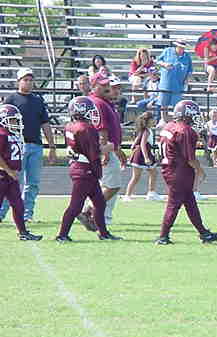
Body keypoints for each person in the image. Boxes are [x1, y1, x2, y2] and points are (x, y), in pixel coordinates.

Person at [156, 101, 217, 245]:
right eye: (194, 115)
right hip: (178, 170)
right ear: (186, 115)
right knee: (174, 204)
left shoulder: (169, 126)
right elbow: (190, 158)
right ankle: (163, 236)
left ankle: (204, 233)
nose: (196, 118)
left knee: (190, 202)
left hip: (170, 167)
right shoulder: (185, 130)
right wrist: (200, 171)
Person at [55, 97, 121, 243]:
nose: (92, 113)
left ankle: (103, 233)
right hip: (85, 170)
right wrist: (109, 148)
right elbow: (94, 152)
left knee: (100, 203)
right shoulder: (86, 128)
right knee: (76, 205)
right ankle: (62, 235)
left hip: (79, 167)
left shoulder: (70, 126)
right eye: (90, 110)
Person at [0, 68, 56, 224]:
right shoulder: (10, 99)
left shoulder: (38, 100)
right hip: (17, 146)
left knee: (33, 184)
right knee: (11, 180)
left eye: (31, 80)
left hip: (36, 146)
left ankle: (27, 215)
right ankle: (1, 213)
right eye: (25, 80)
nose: (29, 82)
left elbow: (45, 123)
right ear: (18, 81)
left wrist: (52, 146)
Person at [76, 68, 125, 230]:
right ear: (93, 86)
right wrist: (105, 151)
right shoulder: (97, 102)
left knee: (105, 186)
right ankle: (88, 211)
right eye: (102, 85)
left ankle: (94, 215)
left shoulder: (104, 101)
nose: (107, 87)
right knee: (112, 185)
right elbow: (101, 129)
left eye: (107, 84)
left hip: (110, 148)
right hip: (105, 150)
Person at [0, 104, 41, 241]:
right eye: (12, 120)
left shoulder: (14, 134)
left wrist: (12, 172)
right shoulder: (1, 134)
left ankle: (22, 232)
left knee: (18, 205)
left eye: (16, 120)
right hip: (2, 175)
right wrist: (8, 170)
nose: (15, 123)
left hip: (11, 177)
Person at [123, 112, 163, 201]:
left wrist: (133, 148)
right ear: (148, 121)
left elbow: (134, 144)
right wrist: (146, 158)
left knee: (154, 173)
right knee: (136, 177)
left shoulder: (145, 130)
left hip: (143, 154)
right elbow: (142, 144)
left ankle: (151, 193)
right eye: (152, 119)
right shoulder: (146, 131)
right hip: (141, 155)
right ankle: (127, 195)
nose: (154, 121)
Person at [157, 40, 193, 112]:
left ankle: (176, 118)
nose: (181, 49)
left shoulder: (187, 56)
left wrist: (187, 79)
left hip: (178, 86)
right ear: (176, 46)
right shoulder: (167, 51)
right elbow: (158, 61)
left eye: (183, 48)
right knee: (163, 105)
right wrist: (164, 64)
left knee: (177, 106)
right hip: (166, 84)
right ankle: (163, 118)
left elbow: (190, 70)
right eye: (180, 47)